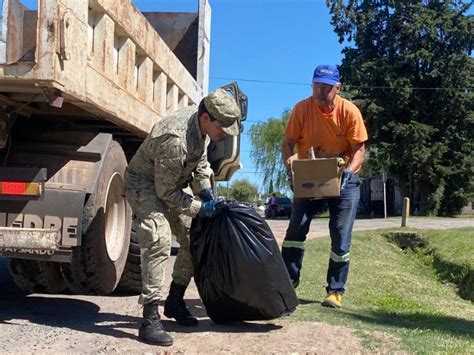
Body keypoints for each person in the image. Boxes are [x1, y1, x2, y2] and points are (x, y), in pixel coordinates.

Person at [124, 88, 241, 346]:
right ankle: (150, 319)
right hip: (143, 184)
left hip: (171, 184)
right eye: (221, 128)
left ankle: (175, 301)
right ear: (206, 118)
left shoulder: (203, 129)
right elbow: (165, 192)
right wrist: (199, 207)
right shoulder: (175, 139)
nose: (223, 135)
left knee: (193, 236)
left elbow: (199, 165)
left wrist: (206, 192)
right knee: (159, 239)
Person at [281, 65, 368, 309]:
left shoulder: (349, 112)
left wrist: (349, 173)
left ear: (337, 88)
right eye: (316, 85)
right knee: (295, 231)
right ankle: (288, 281)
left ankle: (335, 291)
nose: (320, 91)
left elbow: (359, 150)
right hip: (310, 177)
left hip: (344, 181)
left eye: (326, 87)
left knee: (340, 235)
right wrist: (290, 167)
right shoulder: (302, 109)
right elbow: (287, 143)